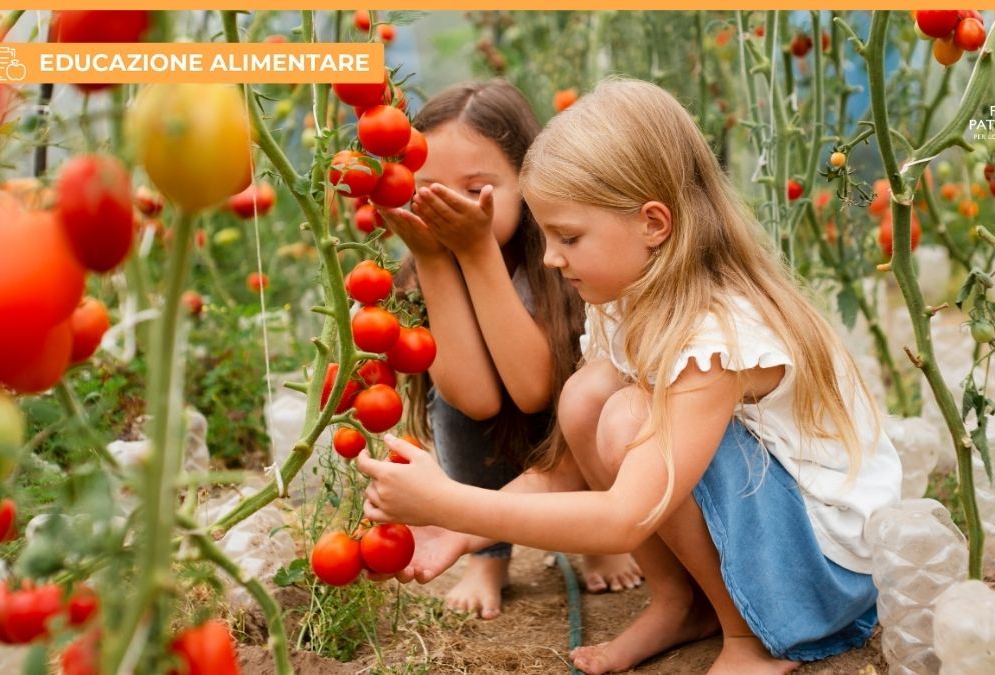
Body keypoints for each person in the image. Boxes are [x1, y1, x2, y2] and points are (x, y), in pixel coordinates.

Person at [359, 78, 902, 674]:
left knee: (628, 417)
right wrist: (456, 530)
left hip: (821, 572)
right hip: (775, 532)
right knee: (588, 397)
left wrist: (455, 502)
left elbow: (623, 514)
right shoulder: (628, 300)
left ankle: (754, 639)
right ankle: (681, 605)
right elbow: (567, 468)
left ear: (653, 223)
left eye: (568, 237)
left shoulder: (715, 336)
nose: (549, 257)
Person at [379, 80, 643, 620]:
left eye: (475, 187)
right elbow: (472, 400)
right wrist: (433, 260)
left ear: (526, 181)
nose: (449, 204)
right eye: (428, 187)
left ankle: (594, 536)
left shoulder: (562, 259)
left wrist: (475, 250)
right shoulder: (425, 261)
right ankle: (488, 557)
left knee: (585, 398)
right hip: (492, 432)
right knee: (449, 400)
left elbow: (533, 391)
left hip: (566, 429)